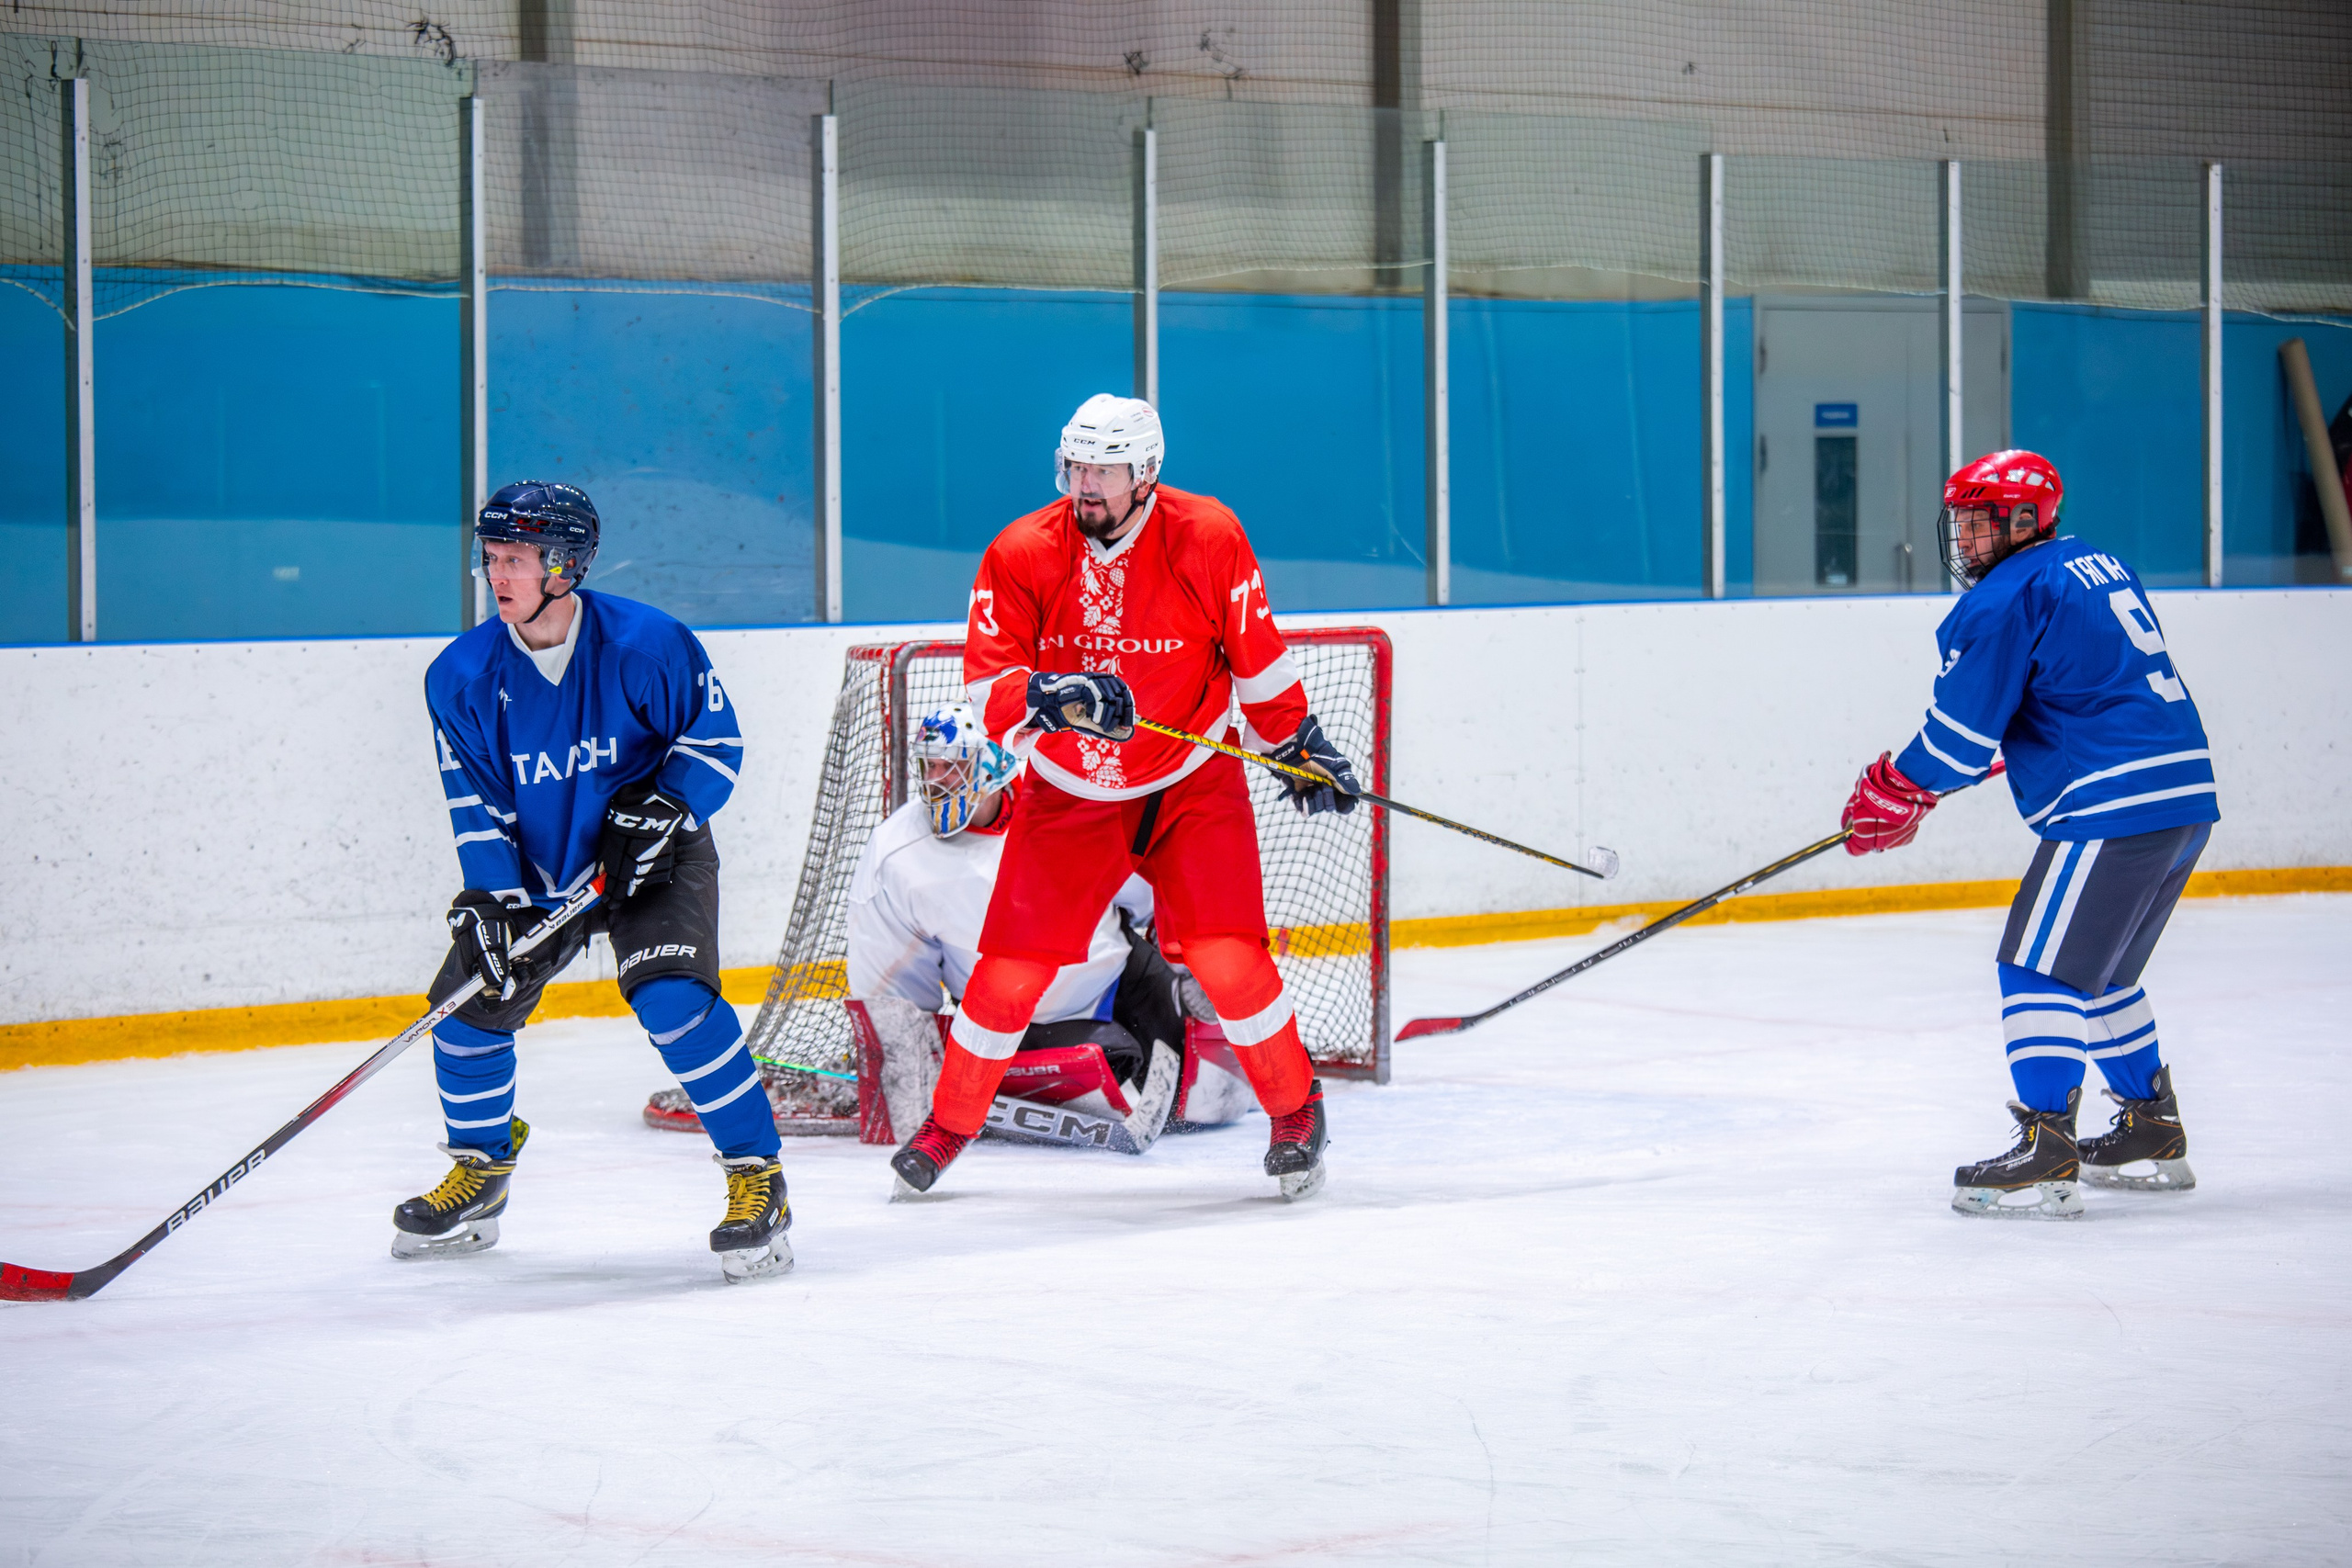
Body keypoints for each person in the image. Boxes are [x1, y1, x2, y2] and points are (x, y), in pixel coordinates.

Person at [888, 393, 1362, 1201]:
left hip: (1190, 783)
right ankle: (950, 1124)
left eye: (1104, 471)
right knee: (1009, 972)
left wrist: (1293, 740)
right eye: (1076, 466)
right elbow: (988, 685)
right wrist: (1049, 693)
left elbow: (1255, 654)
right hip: (1072, 792)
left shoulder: (1208, 535)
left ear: (1146, 474)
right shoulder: (1022, 550)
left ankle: (1295, 1112)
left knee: (1226, 956)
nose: (1086, 484)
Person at [395, 480, 791, 1282]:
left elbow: (715, 743)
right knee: (466, 1011)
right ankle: (481, 1168)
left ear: (565, 565)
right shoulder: (459, 678)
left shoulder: (648, 645)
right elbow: (474, 803)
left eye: (515, 559)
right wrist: (491, 901)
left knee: (673, 1000)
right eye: (490, 557)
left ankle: (759, 1177)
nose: (496, 574)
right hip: (541, 874)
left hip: (653, 859)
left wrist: (667, 803)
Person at [1841, 451, 2219, 1220]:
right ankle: (2152, 1126)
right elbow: (2086, 684)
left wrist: (1896, 784)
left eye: (1980, 522)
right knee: (2101, 975)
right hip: (2182, 794)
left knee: (2035, 968)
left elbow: (1956, 742)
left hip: (2113, 803)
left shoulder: (2005, 595)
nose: (1966, 539)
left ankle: (2047, 1145)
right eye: (1961, 522)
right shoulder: (2095, 563)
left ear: (2023, 520)